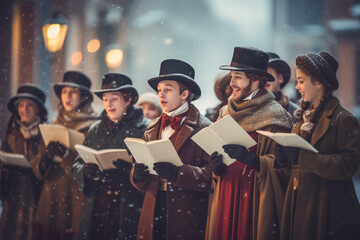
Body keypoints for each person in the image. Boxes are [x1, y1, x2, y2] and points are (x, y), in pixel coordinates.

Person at [206, 47, 293, 240]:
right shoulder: (225, 112)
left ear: (256, 79)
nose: (231, 83)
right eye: (231, 76)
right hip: (226, 194)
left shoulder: (276, 116)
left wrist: (254, 161)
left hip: (255, 199)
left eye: (238, 77)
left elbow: (286, 171)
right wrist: (215, 168)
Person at [274, 51, 360, 239]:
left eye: (302, 81)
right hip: (300, 205)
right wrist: (284, 159)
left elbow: (349, 164)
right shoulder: (302, 119)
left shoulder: (344, 118)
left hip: (328, 210)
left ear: (319, 82)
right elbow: (297, 165)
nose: (297, 87)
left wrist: (303, 159)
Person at [129, 59, 212, 240]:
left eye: (167, 89)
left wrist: (178, 173)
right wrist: (138, 175)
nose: (161, 94)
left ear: (184, 94)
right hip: (153, 209)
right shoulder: (152, 127)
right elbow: (141, 176)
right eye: (159, 90)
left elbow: (213, 177)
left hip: (187, 214)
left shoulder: (205, 128)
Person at [72, 73, 150, 240]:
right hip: (97, 204)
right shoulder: (95, 129)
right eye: (106, 99)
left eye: (114, 98)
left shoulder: (144, 129)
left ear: (128, 100)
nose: (109, 104)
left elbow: (151, 172)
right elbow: (77, 164)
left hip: (128, 205)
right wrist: (85, 171)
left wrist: (131, 173)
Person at [32, 71, 98, 239]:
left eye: (73, 92)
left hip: (77, 200)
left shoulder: (95, 127)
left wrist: (66, 155)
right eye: (64, 92)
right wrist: (47, 156)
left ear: (84, 97)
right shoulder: (52, 126)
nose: (67, 96)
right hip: (51, 201)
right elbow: (38, 172)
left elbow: (91, 170)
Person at [0, 84, 47, 240]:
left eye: (29, 106)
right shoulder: (12, 134)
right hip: (13, 197)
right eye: (21, 105)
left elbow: (46, 170)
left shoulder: (45, 134)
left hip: (36, 197)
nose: (24, 109)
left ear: (38, 110)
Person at [266, 52, 299, 122]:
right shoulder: (251, 108)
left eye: (268, 74)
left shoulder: (296, 113)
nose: (265, 79)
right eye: (261, 75)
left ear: (280, 78)